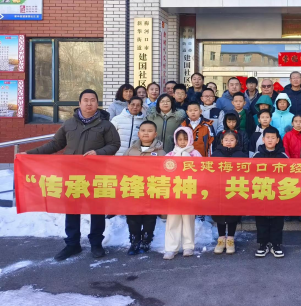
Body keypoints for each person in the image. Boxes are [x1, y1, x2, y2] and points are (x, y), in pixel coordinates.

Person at [24, 89, 121, 261]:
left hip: (97, 175)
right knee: (72, 209)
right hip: (72, 175)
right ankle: (72, 244)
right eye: (86, 100)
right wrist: (29, 154)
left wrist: (98, 152)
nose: (89, 103)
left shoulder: (106, 125)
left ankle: (96, 243)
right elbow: (55, 144)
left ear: (97, 103)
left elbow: (115, 144)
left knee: (97, 210)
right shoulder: (69, 124)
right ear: (79, 103)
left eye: (92, 100)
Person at [123, 121, 165, 255]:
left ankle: (146, 240)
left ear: (155, 134)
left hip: (151, 190)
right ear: (138, 133)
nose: (146, 133)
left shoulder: (161, 152)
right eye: (143, 130)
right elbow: (121, 168)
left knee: (149, 217)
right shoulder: (130, 151)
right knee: (132, 217)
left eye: (150, 131)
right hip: (134, 189)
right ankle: (134, 240)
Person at [163, 127, 202, 260]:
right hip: (174, 191)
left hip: (189, 190)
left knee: (188, 219)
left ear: (190, 138)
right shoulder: (170, 154)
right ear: (175, 140)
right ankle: (171, 248)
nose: (182, 142)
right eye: (179, 139)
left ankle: (188, 246)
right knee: (173, 219)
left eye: (185, 139)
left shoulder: (195, 154)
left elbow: (201, 171)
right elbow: (163, 170)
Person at [253, 127, 288, 258]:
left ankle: (276, 244)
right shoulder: (257, 155)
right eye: (268, 137)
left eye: (273, 138)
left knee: (277, 220)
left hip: (278, 193)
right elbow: (251, 174)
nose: (270, 140)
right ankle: (263, 244)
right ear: (263, 139)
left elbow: (289, 174)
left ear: (277, 140)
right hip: (261, 192)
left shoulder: (283, 156)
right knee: (261, 220)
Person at [212, 131, 248, 255]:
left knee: (233, 214)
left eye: (232, 140)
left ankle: (231, 239)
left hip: (234, 188)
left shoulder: (242, 155)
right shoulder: (215, 154)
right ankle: (221, 239)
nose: (229, 142)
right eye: (226, 139)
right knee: (219, 214)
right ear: (222, 141)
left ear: (236, 141)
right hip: (219, 189)